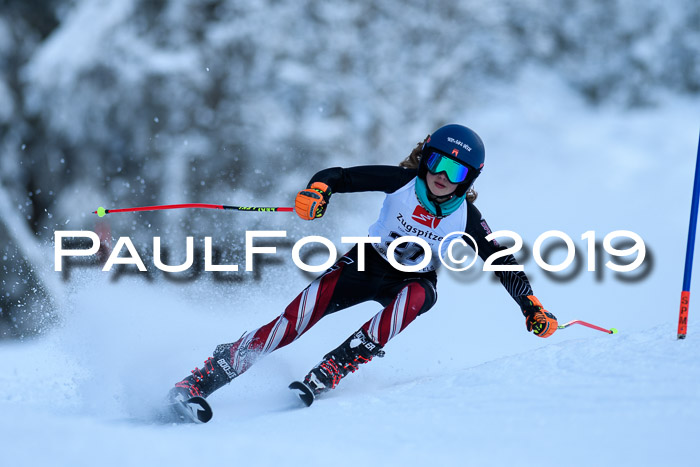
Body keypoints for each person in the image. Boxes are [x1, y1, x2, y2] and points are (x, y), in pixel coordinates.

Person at [168, 123, 558, 408]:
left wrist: (530, 305)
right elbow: (338, 177)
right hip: (366, 264)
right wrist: (318, 191)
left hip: (411, 281)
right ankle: (202, 380)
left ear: (469, 177)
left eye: (455, 172)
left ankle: (337, 365)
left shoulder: (467, 217)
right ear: (425, 159)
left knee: (422, 294)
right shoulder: (403, 181)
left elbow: (501, 260)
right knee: (292, 322)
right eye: (437, 163)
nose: (441, 176)